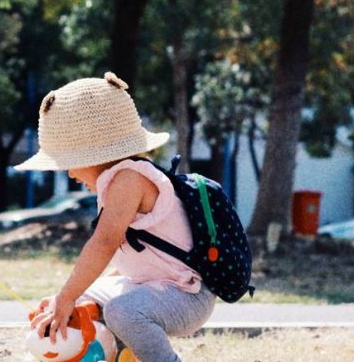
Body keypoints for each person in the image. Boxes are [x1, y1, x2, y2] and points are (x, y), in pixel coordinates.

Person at [17, 73, 215, 362]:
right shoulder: (118, 181)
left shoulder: (129, 180)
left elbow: (104, 242)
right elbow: (136, 260)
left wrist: (67, 296)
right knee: (87, 301)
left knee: (121, 311)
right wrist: (76, 300)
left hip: (186, 296)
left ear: (93, 153)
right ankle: (118, 354)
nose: (70, 173)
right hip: (153, 287)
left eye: (69, 163)